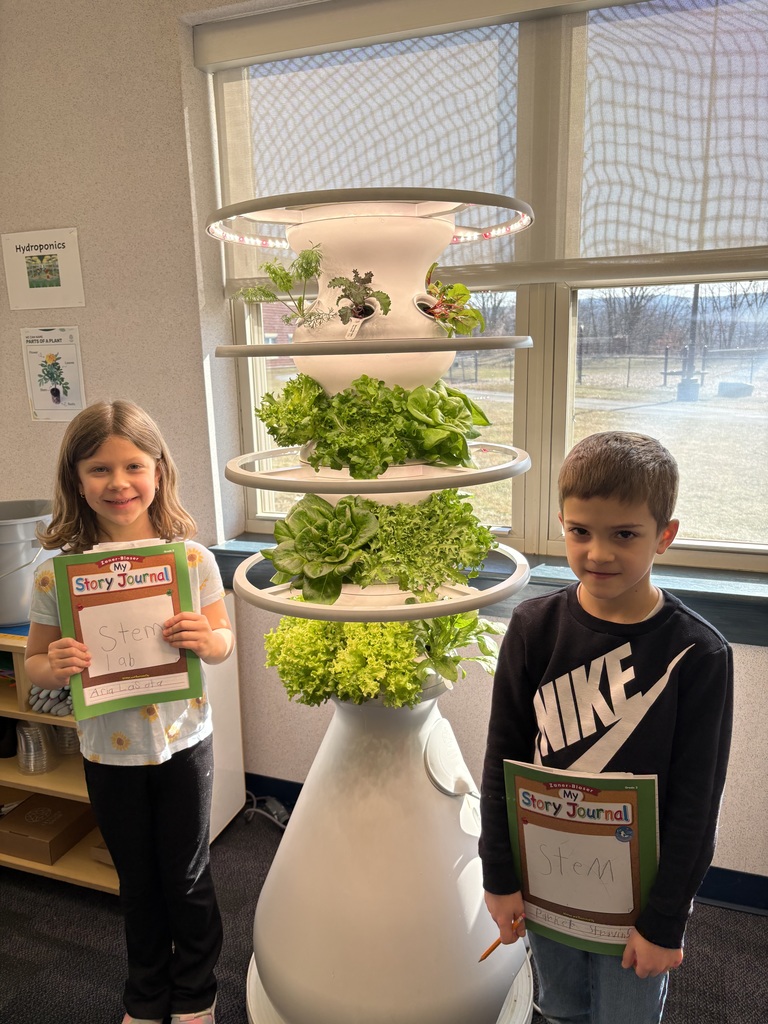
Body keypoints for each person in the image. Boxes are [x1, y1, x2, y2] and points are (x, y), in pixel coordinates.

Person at [479, 431, 733, 1024]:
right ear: (562, 523)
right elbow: (502, 761)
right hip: (547, 886)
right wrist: (499, 876)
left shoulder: (699, 653)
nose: (597, 553)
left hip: (638, 904)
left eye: (624, 535)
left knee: (626, 1016)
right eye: (580, 532)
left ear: (664, 536)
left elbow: (698, 805)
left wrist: (665, 921)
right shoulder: (531, 628)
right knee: (557, 1006)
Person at [25, 400, 235, 1024]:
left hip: (184, 742)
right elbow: (35, 666)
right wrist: (54, 662)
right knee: (137, 881)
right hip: (105, 750)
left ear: (159, 471)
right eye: (98, 470)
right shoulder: (55, 575)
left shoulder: (190, 560)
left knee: (188, 874)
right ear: (75, 479)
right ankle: (146, 992)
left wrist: (205, 636)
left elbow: (223, 645)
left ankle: (196, 990)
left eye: (133, 466)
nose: (118, 484)